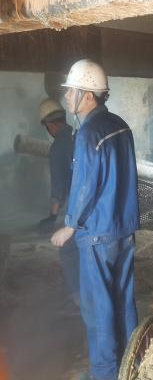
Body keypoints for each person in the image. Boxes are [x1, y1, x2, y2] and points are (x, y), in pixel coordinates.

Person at [51, 59, 139, 380]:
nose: (67, 96)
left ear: (88, 95)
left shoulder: (89, 133)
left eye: (71, 91)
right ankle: (132, 361)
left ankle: (104, 371)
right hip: (123, 228)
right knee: (123, 297)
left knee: (97, 303)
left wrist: (70, 225)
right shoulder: (120, 125)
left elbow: (85, 185)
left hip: (97, 233)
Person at [37, 98, 80, 306]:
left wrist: (52, 216)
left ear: (50, 125)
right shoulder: (80, 136)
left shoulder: (57, 148)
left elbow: (58, 188)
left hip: (78, 208)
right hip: (96, 206)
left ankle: (79, 299)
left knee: (68, 250)